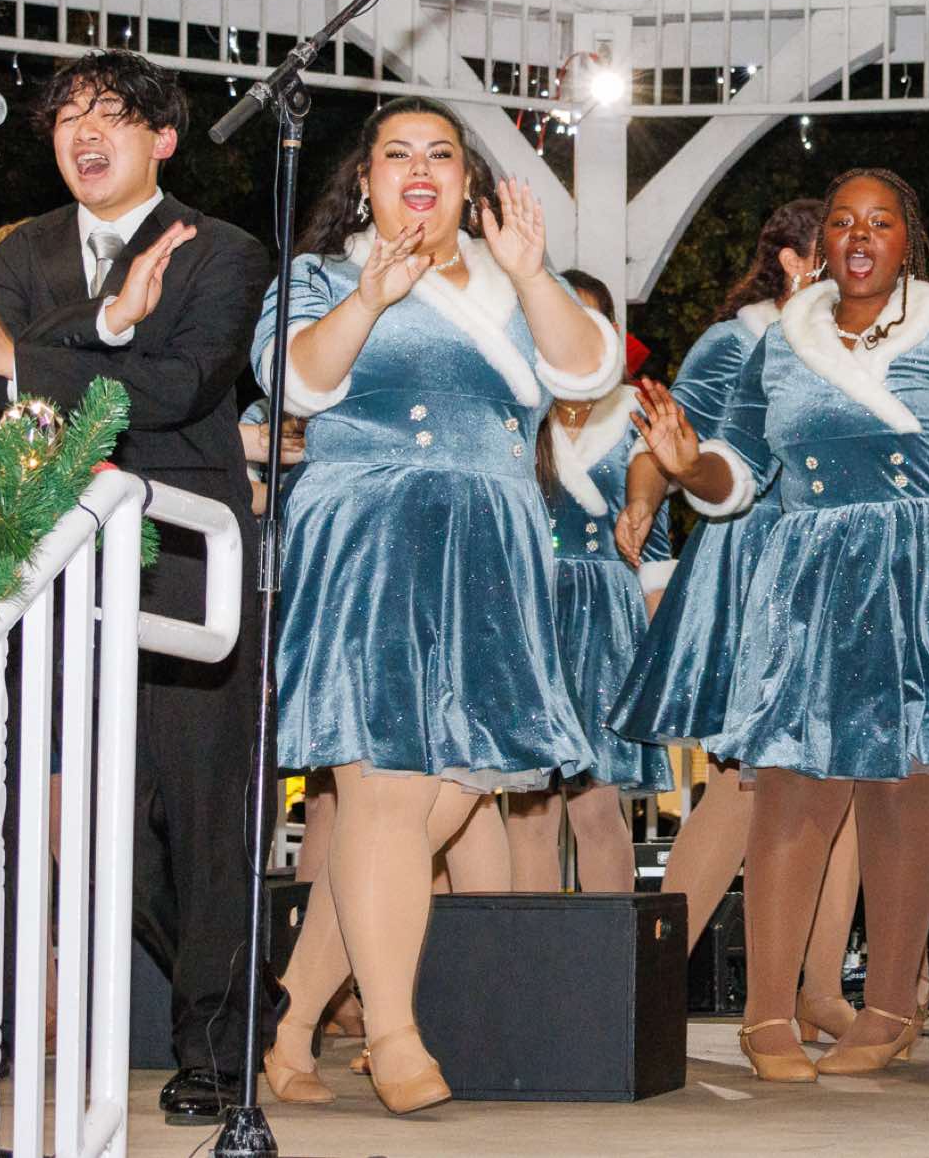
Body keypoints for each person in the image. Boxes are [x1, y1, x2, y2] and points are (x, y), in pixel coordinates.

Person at [625, 167, 929, 1083]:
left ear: (910, 239)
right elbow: (735, 475)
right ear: (822, 242)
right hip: (813, 577)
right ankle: (766, 1012)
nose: (860, 236)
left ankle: (892, 1005)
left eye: (880, 222)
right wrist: (686, 465)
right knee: (791, 788)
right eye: (842, 222)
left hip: (926, 576)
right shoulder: (781, 342)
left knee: (902, 793)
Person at [253, 96, 617, 1115]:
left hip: (493, 549)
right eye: (398, 154)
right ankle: (393, 1035)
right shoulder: (322, 277)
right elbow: (290, 385)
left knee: (432, 802)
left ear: (469, 182)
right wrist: (370, 299)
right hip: (369, 535)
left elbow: (588, 369)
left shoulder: (513, 279)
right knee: (382, 791)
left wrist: (533, 273)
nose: (420, 169)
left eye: (442, 155)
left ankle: (287, 1020)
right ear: (364, 181)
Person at [0, 51, 268, 1123]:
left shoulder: (223, 250)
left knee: (202, 814)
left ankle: (217, 1052)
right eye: (66, 119)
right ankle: (243, 1000)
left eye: (110, 114)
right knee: (89, 828)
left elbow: (181, 386)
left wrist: (24, 359)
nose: (83, 133)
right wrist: (102, 328)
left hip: (186, 556)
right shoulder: (19, 250)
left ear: (163, 139)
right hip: (46, 560)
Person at [612, 199, 866, 1041]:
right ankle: (651, 982)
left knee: (843, 776)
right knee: (742, 780)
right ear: (794, 259)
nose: (856, 253)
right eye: (836, 240)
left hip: (832, 568)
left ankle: (820, 985)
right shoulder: (735, 340)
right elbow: (662, 441)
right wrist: (642, 502)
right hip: (755, 566)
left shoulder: (857, 339)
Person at [504, 270, 674, 894]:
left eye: (589, 317)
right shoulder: (516, 408)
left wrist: (660, 657)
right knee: (529, 809)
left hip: (606, 621)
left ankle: (610, 953)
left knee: (597, 807)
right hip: (527, 611)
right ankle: (533, 949)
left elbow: (655, 546)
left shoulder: (635, 414)